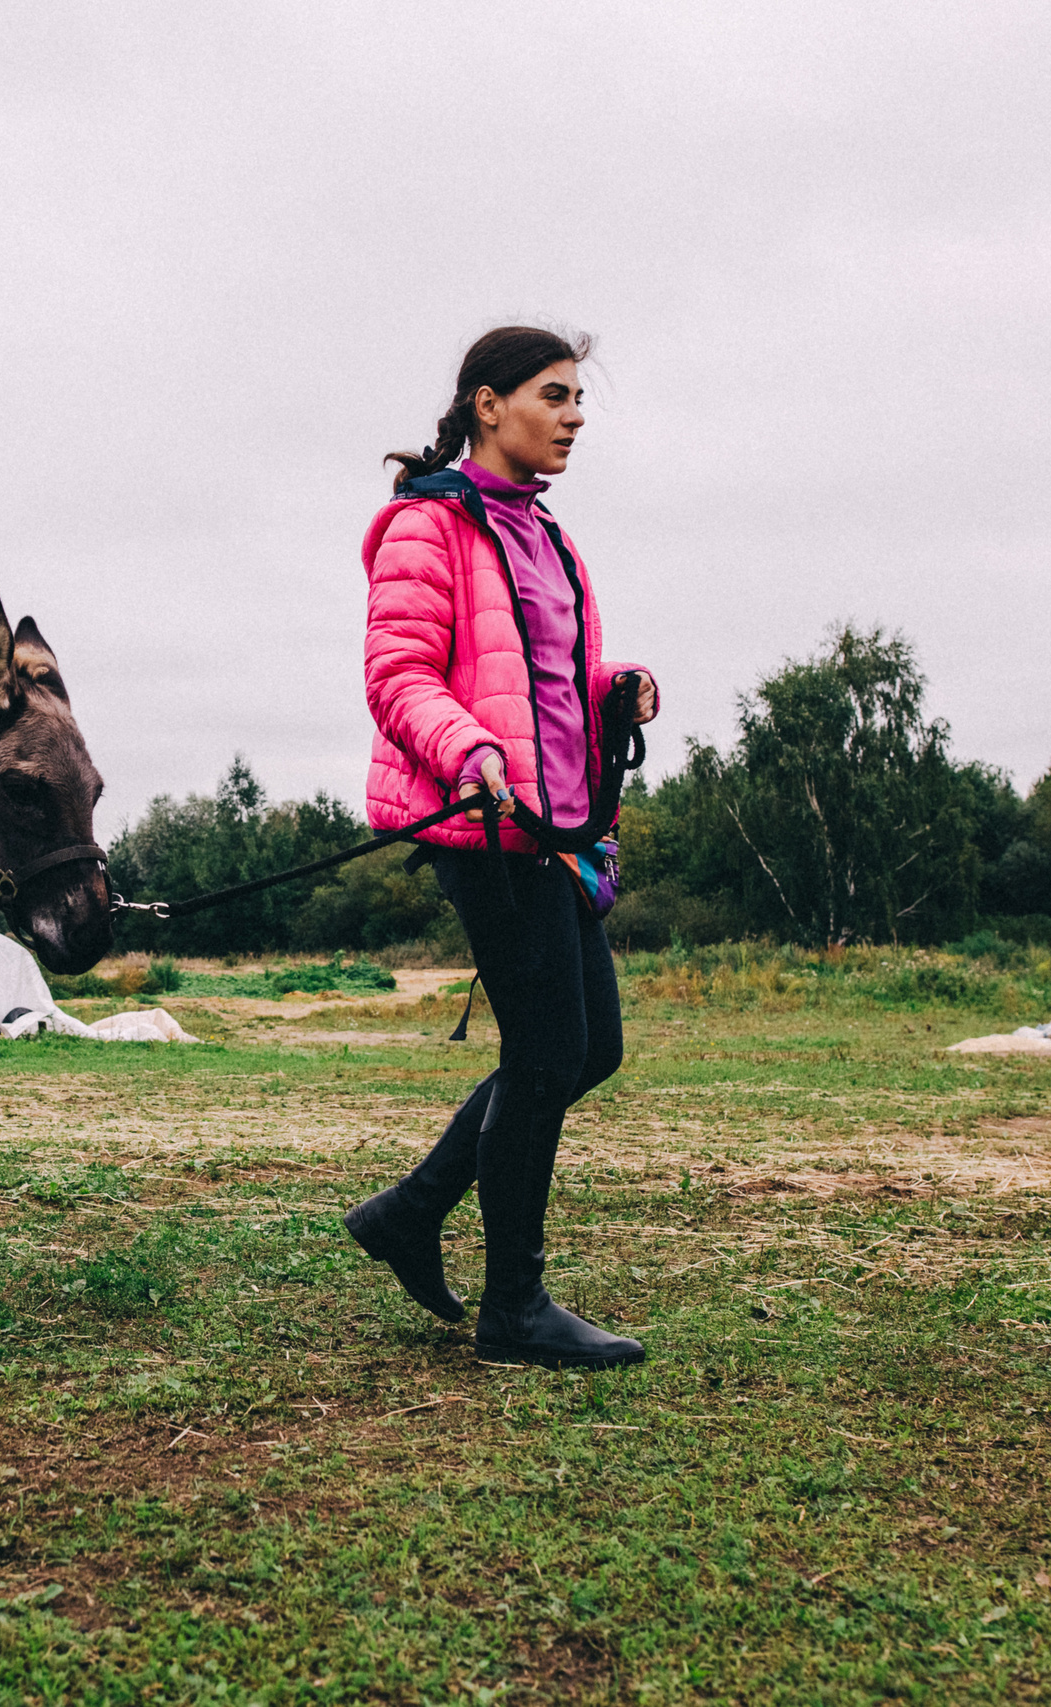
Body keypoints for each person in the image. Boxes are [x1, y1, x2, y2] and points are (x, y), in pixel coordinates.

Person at [343, 325, 660, 1369]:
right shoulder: (426, 525)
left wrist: (617, 689)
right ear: (488, 404)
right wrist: (467, 749)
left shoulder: (546, 534)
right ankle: (512, 1306)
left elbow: (548, 677)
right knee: (547, 1052)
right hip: (482, 821)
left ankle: (410, 1211)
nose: (575, 416)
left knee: (588, 1049)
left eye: (578, 399)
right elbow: (399, 674)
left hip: (555, 827)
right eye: (553, 395)